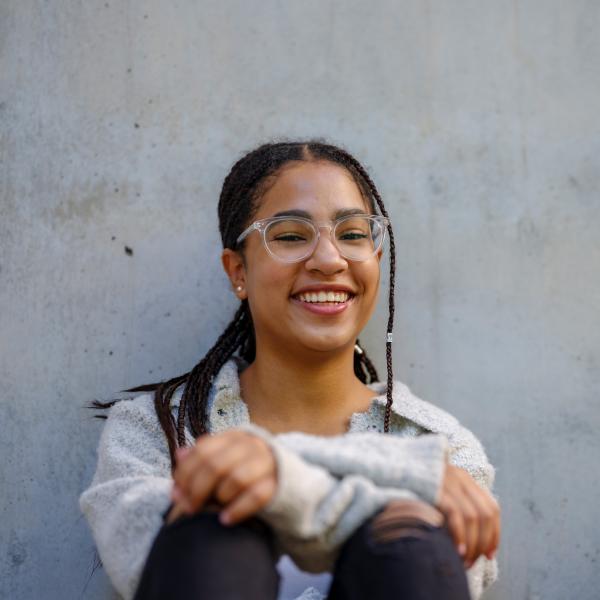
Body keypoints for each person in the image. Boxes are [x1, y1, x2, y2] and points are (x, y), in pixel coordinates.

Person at [80, 140, 501, 600]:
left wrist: (274, 470)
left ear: (376, 260)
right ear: (237, 270)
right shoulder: (155, 432)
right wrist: (404, 477)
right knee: (210, 538)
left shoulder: (439, 447)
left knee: (413, 551)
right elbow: (152, 561)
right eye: (290, 235)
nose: (329, 259)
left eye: (354, 234)